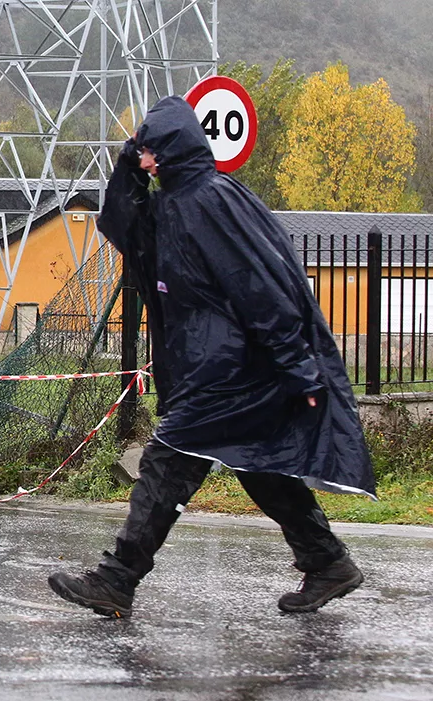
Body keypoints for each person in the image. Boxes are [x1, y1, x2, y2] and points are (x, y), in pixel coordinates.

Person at [47, 96, 376, 618]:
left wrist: (300, 369)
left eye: (151, 150)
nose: (146, 159)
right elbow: (121, 227)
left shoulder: (212, 200)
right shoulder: (171, 202)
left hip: (237, 370)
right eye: (142, 150)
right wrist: (127, 165)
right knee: (255, 462)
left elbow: (263, 287)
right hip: (213, 365)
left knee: (168, 458)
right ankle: (327, 561)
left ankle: (117, 578)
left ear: (174, 150)